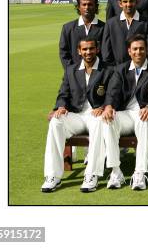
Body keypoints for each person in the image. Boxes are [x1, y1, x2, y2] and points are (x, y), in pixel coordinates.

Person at [41, 38, 113, 193]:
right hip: (76, 115)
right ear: (79, 51)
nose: (88, 52)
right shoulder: (70, 70)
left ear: (97, 49)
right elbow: (63, 93)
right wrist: (60, 107)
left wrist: (104, 106)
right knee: (55, 122)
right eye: (85, 49)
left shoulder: (107, 69)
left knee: (100, 122)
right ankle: (52, 176)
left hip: (96, 114)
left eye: (91, 49)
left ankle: (91, 174)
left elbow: (113, 93)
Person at [102, 34, 148, 190]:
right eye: (135, 49)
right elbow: (112, 91)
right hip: (126, 113)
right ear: (129, 51)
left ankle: (140, 173)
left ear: (147, 50)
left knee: (144, 120)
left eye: (142, 48)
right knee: (109, 120)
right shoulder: (120, 69)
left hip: (143, 113)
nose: (138, 52)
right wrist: (108, 106)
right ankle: (116, 172)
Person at [101, 0, 148, 65]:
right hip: (116, 70)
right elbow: (106, 51)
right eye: (125, 1)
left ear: (137, 1)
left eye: (131, 1)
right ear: (120, 4)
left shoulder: (146, 23)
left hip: (140, 69)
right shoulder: (111, 23)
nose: (128, 4)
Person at [59, 0, 105, 68]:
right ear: (78, 7)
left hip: (99, 74)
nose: (87, 7)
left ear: (96, 6)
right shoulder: (68, 28)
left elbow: (107, 54)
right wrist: (72, 72)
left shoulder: (105, 27)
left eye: (90, 4)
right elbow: (64, 53)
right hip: (73, 75)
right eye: (84, 4)